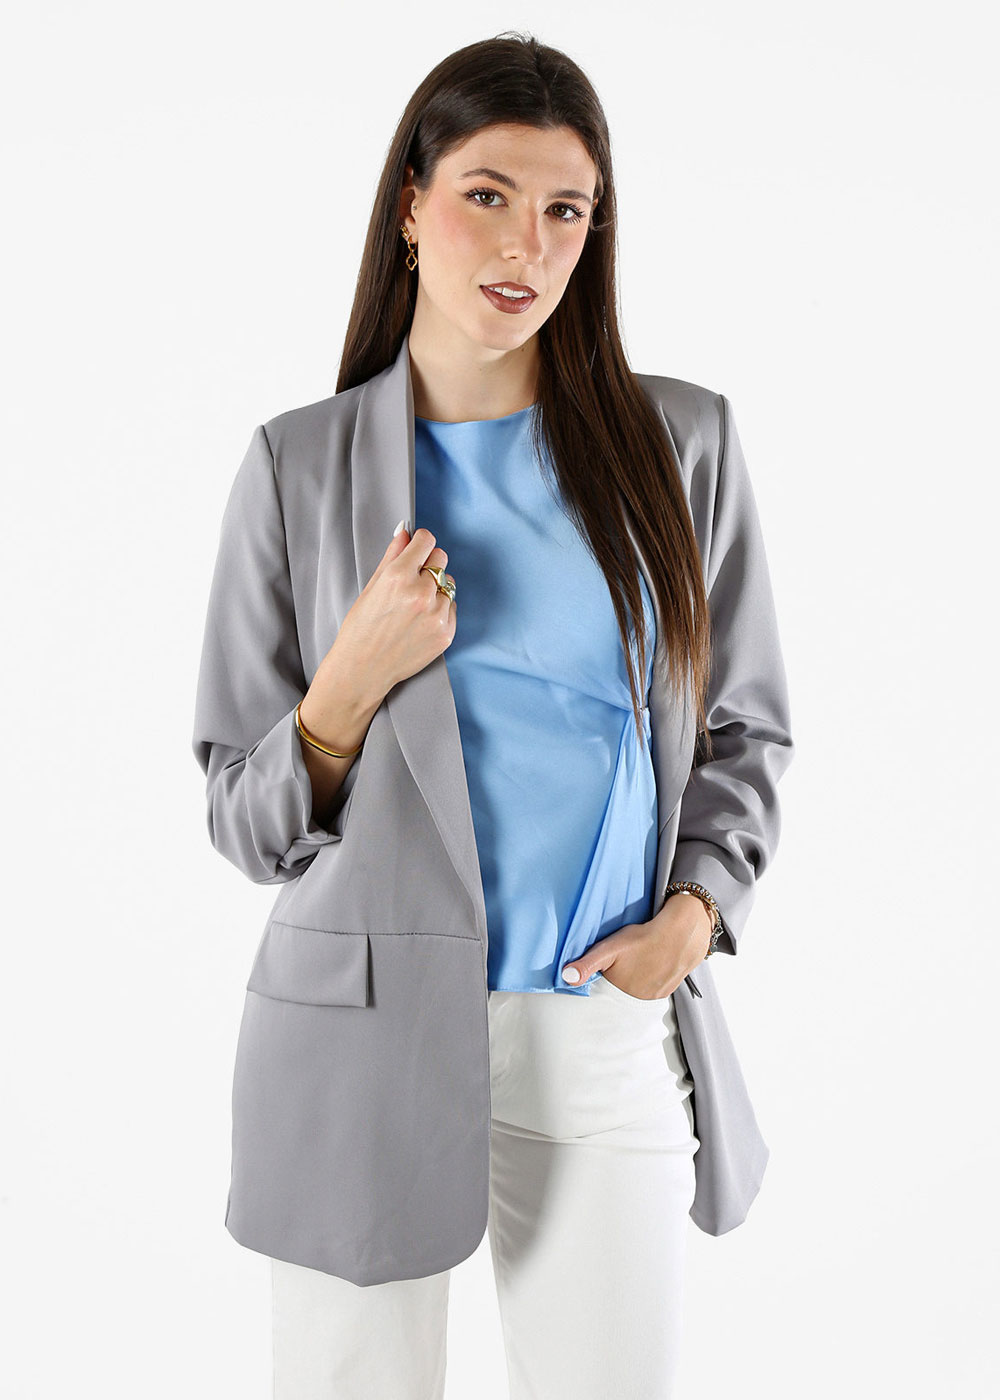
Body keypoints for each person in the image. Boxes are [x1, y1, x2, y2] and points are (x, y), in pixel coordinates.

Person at [191, 31, 794, 1400]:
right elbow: (240, 814)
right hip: (359, 1028)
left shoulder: (682, 446)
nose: (528, 241)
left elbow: (747, 732)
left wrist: (696, 914)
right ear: (410, 207)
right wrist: (345, 688)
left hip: (600, 1020)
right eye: (487, 194)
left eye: (566, 208)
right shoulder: (295, 466)